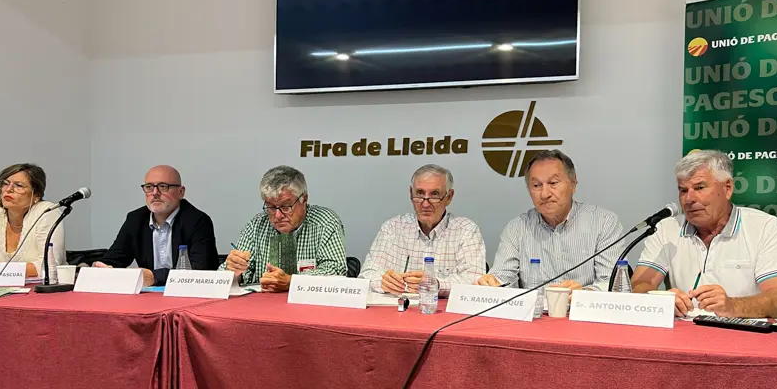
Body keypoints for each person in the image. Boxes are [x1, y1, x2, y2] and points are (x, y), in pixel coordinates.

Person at [632, 150, 777, 319]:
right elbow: (638, 286)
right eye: (683, 190)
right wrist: (662, 300)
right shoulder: (667, 229)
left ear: (727, 188)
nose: (689, 199)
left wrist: (732, 306)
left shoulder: (764, 227)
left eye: (699, 187)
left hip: (745, 337)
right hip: (683, 335)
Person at [477, 149, 624, 290]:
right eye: (536, 185)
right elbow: (503, 275)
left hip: (584, 312)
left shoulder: (604, 222)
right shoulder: (517, 228)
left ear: (573, 184)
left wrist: (585, 294)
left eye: (553, 183)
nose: (545, 194)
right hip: (535, 313)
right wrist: (494, 283)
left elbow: (612, 283)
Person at [360, 164, 485, 297]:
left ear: (449, 197)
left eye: (434, 195)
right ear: (410, 193)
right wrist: (383, 282)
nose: (425, 204)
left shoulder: (466, 230)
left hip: (443, 313)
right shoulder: (393, 227)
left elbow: (474, 280)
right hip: (397, 312)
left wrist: (436, 285)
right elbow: (367, 274)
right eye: (419, 194)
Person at [223, 166, 346, 292]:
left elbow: (336, 270)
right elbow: (225, 277)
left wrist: (292, 281)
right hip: (261, 305)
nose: (278, 215)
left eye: (286, 206)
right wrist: (233, 272)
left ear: (304, 199)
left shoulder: (325, 222)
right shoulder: (256, 225)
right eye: (271, 207)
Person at [94, 165, 218, 287]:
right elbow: (116, 257)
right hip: (148, 296)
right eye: (149, 187)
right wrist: (103, 267)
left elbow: (200, 271)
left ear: (181, 192)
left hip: (186, 294)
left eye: (163, 187)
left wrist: (155, 276)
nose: (155, 193)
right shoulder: (135, 219)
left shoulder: (198, 221)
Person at [0, 163, 66, 277]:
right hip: (0, 288)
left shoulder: (47, 212)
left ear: (36, 195)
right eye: (5, 183)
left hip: (42, 290)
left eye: (19, 186)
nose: (8, 190)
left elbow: (47, 266)